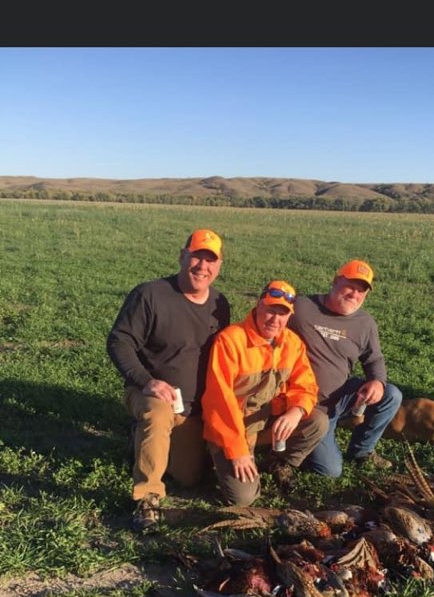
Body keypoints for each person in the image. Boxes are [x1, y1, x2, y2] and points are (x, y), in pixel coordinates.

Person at [107, 228, 230, 532]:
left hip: (190, 407)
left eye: (210, 260)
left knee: (189, 476)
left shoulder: (220, 304)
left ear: (219, 266)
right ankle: (147, 499)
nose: (202, 266)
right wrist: (146, 380)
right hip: (149, 392)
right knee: (158, 413)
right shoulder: (150, 294)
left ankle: (142, 441)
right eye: (196, 257)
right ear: (182, 256)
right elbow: (119, 341)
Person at [201, 279, 329, 506]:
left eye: (282, 313)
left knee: (317, 421)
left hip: (270, 420)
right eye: (271, 310)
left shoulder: (293, 343)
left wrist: (296, 411)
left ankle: (278, 461)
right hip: (235, 428)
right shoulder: (231, 340)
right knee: (243, 498)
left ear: (289, 316)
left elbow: (306, 385)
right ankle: (223, 456)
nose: (275, 319)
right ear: (259, 305)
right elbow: (219, 400)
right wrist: (237, 450)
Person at [289, 258, 402, 476]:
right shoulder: (302, 307)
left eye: (362, 291)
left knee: (391, 395)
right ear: (336, 281)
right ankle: (302, 441)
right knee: (330, 471)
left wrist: (377, 382)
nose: (354, 294)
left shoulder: (365, 323)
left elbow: (374, 359)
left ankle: (361, 451)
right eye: (350, 286)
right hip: (309, 405)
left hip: (341, 396)